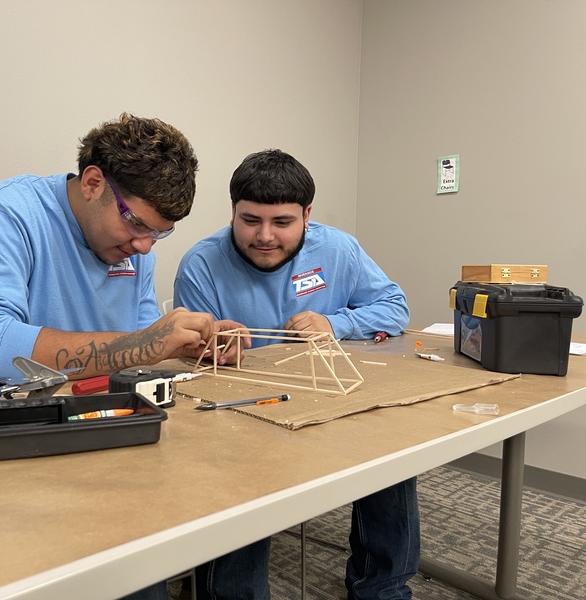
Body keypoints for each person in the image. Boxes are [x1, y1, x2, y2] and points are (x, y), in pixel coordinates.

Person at [0, 113, 246, 600]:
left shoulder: (134, 250)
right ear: (94, 182)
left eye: (159, 234)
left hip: (85, 428)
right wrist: (142, 344)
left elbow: (134, 347)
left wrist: (189, 345)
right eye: (137, 223)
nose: (143, 246)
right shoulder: (6, 214)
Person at [174, 149, 418, 600]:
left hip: (330, 397)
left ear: (307, 215)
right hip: (245, 415)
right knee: (235, 468)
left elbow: (395, 308)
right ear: (232, 211)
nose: (265, 236)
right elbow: (189, 357)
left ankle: (382, 588)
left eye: (282, 222)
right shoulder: (201, 264)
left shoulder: (339, 248)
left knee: (392, 449)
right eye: (250, 220)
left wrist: (334, 324)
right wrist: (207, 348)